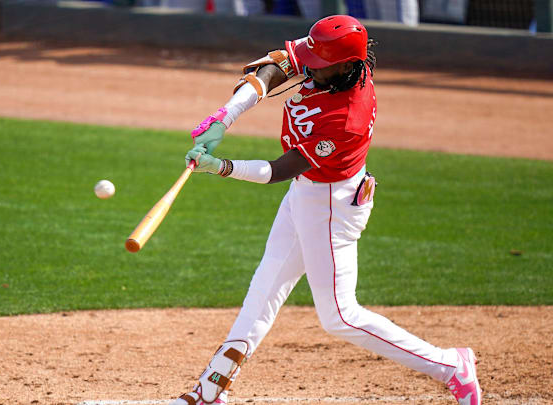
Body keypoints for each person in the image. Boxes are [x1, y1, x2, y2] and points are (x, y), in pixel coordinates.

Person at [171, 15, 481, 405]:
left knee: (340, 315)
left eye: (320, 67)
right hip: (308, 194)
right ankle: (211, 390)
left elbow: (278, 171)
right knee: (264, 288)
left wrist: (223, 167)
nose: (310, 70)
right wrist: (226, 116)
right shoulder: (332, 52)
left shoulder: (346, 119)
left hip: (331, 205)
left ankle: (451, 366)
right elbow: (273, 69)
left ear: (348, 66)